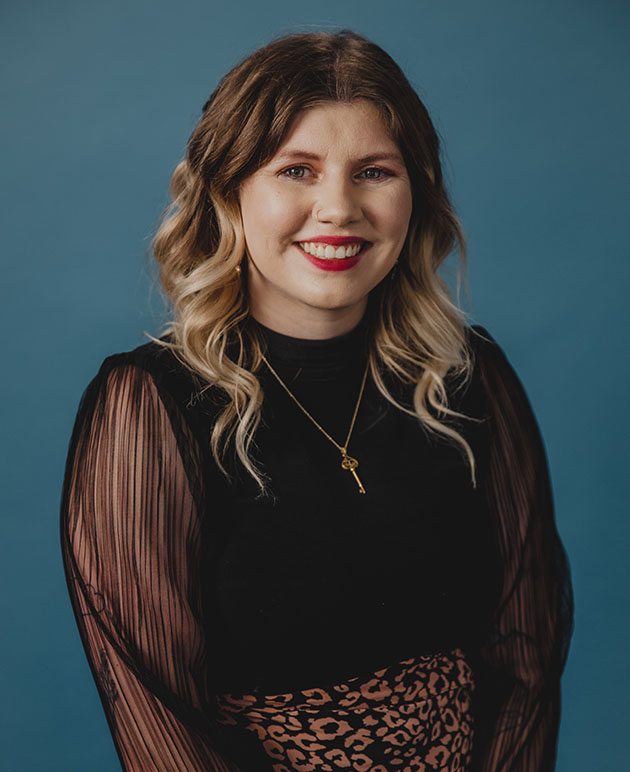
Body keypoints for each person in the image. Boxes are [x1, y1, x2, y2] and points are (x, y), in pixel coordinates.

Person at [59, 28, 574, 772]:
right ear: (230, 190)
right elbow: (156, 710)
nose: (338, 208)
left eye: (374, 171)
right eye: (296, 170)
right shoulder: (148, 407)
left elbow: (527, 667)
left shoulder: (473, 377)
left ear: (414, 194)